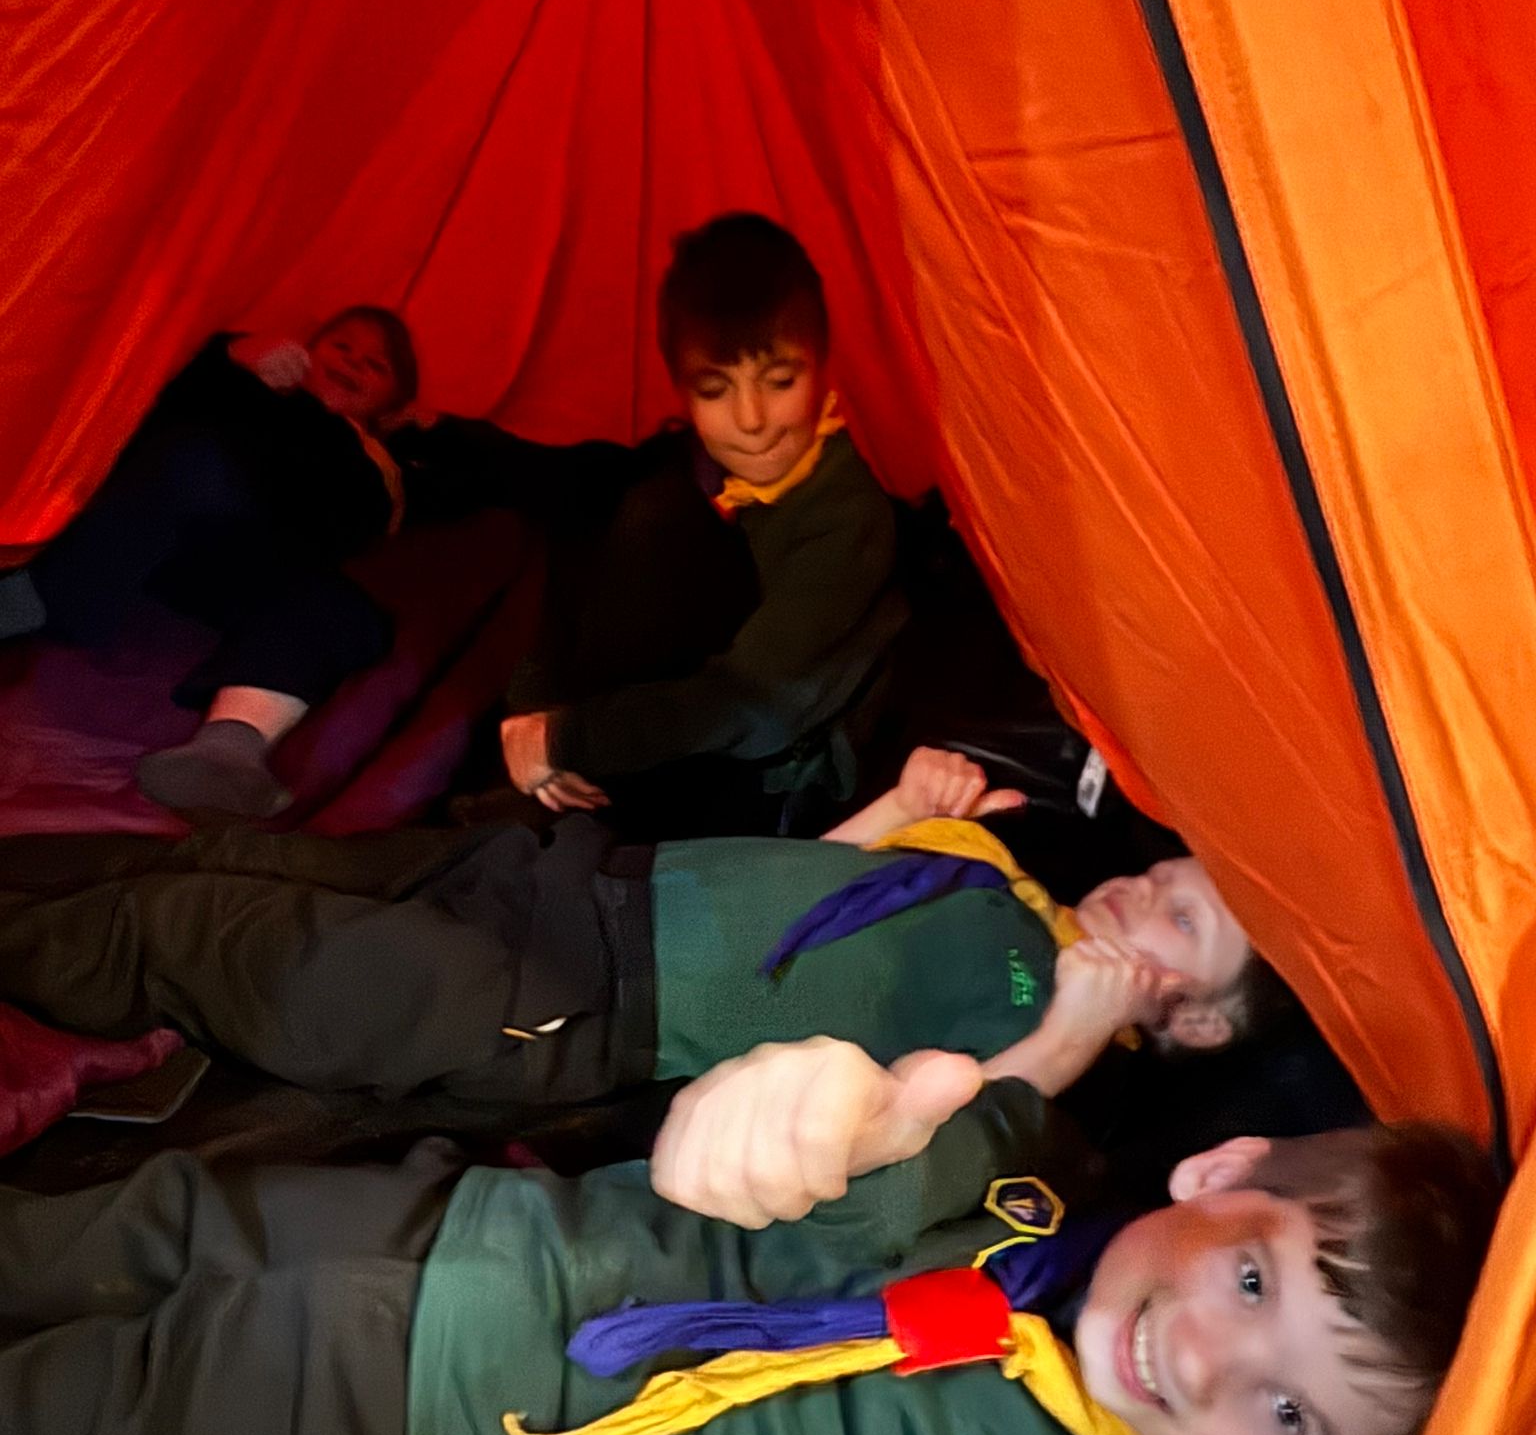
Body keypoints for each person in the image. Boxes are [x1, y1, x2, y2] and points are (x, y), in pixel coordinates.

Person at [0, 1036, 1498, 1435]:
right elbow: (877, 1133)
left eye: (1290, 1415)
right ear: (1219, 1169)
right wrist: (826, 1098)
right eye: (1253, 1277)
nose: (1212, 1363)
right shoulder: (1024, 1184)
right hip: (461, 1237)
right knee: (92, 1233)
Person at [0, 749, 1290, 1124]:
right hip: (569, 881)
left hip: (576, 995)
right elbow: (816, 887)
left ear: (1196, 1015)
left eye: (1179, 918)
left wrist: (1068, 1036)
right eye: (1161, 872)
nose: (1139, 893)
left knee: (210, 934)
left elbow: (919, 1137)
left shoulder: (1041, 1042)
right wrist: (905, 806)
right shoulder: (1001, 871)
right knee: (251, 864)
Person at [391, 212, 906, 837]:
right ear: (683, 391)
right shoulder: (688, 467)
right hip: (629, 740)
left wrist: (566, 739)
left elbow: (760, 705)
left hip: (766, 771)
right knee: (623, 504)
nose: (752, 420)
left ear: (821, 366)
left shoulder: (848, 513)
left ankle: (543, 821)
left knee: (656, 521)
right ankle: (529, 805)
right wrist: (534, 712)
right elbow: (568, 573)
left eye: (780, 381)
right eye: (715, 390)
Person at [1, 307, 420, 821]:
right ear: (309, 351)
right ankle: (34, 600)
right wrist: (231, 359)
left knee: (347, 609)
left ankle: (229, 747)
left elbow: (358, 521)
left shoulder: (373, 457)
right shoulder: (248, 387)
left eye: (376, 365)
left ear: (391, 401)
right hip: (173, 535)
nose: (353, 363)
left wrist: (413, 427)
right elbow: (156, 414)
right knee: (192, 460)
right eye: (342, 346)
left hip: (270, 560)